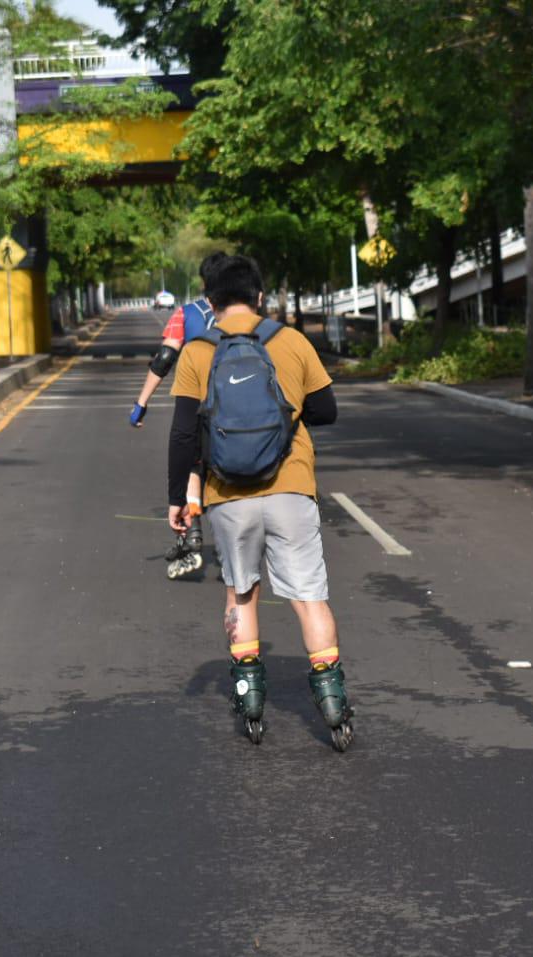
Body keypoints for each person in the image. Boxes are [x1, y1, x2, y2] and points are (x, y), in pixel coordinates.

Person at [165, 254, 353, 749]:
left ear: (210, 302)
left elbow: (184, 434)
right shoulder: (289, 340)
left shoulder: (198, 350)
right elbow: (327, 411)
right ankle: (333, 705)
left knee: (240, 594)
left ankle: (249, 699)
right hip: (291, 486)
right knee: (309, 598)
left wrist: (177, 498)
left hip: (227, 494)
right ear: (261, 296)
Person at [133, 252, 228, 578]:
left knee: (192, 460)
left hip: (195, 399)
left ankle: (193, 532)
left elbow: (164, 358)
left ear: (203, 282)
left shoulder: (186, 314)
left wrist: (141, 401)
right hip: (238, 403)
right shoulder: (246, 316)